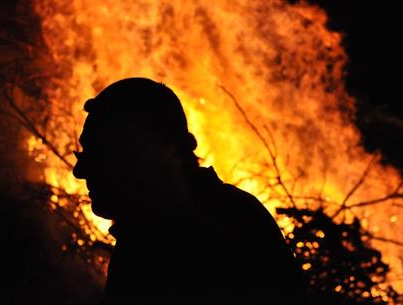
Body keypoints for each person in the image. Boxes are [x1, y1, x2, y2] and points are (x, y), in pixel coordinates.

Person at [73, 77, 310, 305]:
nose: (79, 171)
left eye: (97, 154)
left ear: (146, 155)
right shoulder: (149, 231)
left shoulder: (175, 241)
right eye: (82, 154)